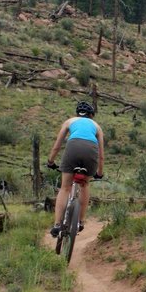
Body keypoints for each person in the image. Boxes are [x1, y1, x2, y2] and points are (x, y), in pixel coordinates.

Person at [46, 101, 104, 237]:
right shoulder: (97, 126)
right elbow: (101, 155)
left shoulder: (70, 121)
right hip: (91, 151)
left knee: (65, 187)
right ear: (91, 115)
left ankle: (57, 224)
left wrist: (50, 161)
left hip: (72, 148)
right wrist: (100, 173)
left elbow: (57, 145)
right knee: (85, 185)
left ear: (77, 114)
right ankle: (81, 221)